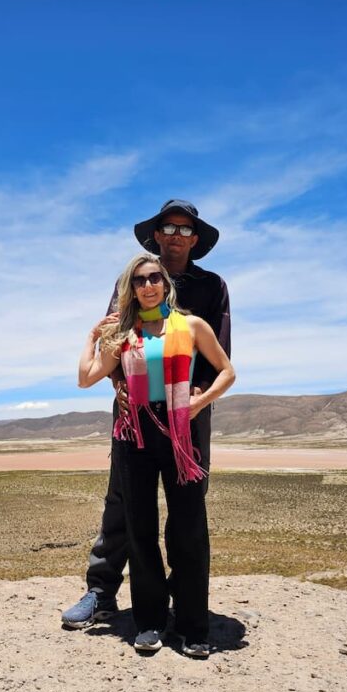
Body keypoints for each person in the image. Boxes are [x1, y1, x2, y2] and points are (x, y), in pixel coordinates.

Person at [61, 200, 231, 628]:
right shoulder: (135, 278)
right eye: (168, 229)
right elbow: (112, 339)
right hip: (132, 413)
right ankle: (101, 591)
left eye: (184, 230)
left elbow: (220, 355)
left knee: (187, 504)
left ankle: (180, 597)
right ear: (156, 236)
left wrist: (196, 397)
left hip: (188, 416)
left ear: (195, 239)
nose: (175, 236)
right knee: (124, 502)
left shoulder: (212, 287)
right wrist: (117, 385)